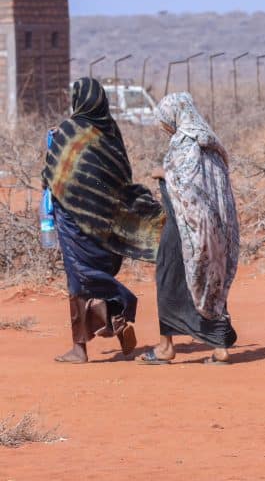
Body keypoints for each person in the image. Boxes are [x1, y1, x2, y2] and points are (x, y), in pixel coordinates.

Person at [43, 77, 164, 363]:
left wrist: (56, 144)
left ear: (77, 100)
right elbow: (120, 175)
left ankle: (82, 345)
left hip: (74, 218)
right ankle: (116, 323)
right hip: (106, 220)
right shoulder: (111, 131)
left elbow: (52, 174)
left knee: (80, 279)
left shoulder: (69, 131)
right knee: (92, 274)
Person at [135, 93, 239, 365]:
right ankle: (220, 348)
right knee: (210, 280)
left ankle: (166, 347)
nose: (165, 128)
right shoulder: (210, 141)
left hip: (184, 227)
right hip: (214, 227)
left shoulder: (185, 141)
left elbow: (184, 185)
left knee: (169, 279)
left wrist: (162, 173)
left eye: (165, 123)